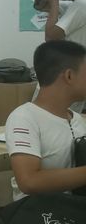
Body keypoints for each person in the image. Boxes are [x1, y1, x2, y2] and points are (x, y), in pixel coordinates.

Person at [6, 40, 86, 201]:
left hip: (76, 207)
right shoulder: (24, 118)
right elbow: (29, 182)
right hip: (42, 211)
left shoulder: (77, 120)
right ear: (69, 76)